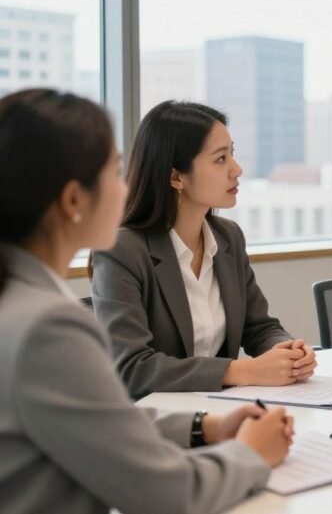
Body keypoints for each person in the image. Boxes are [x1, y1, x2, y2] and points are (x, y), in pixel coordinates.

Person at [0, 89, 293, 514]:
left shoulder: (22, 302)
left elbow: (103, 418)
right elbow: (169, 494)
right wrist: (251, 453)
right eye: (115, 173)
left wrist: (204, 427)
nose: (127, 187)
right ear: (72, 200)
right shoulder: (46, 327)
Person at [91, 101, 316, 399]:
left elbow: (259, 327)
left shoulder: (228, 238)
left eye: (232, 154)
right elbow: (132, 368)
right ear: (176, 177)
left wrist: (288, 352)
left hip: (221, 410)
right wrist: (244, 371)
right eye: (220, 159)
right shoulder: (121, 250)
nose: (237, 170)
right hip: (156, 425)